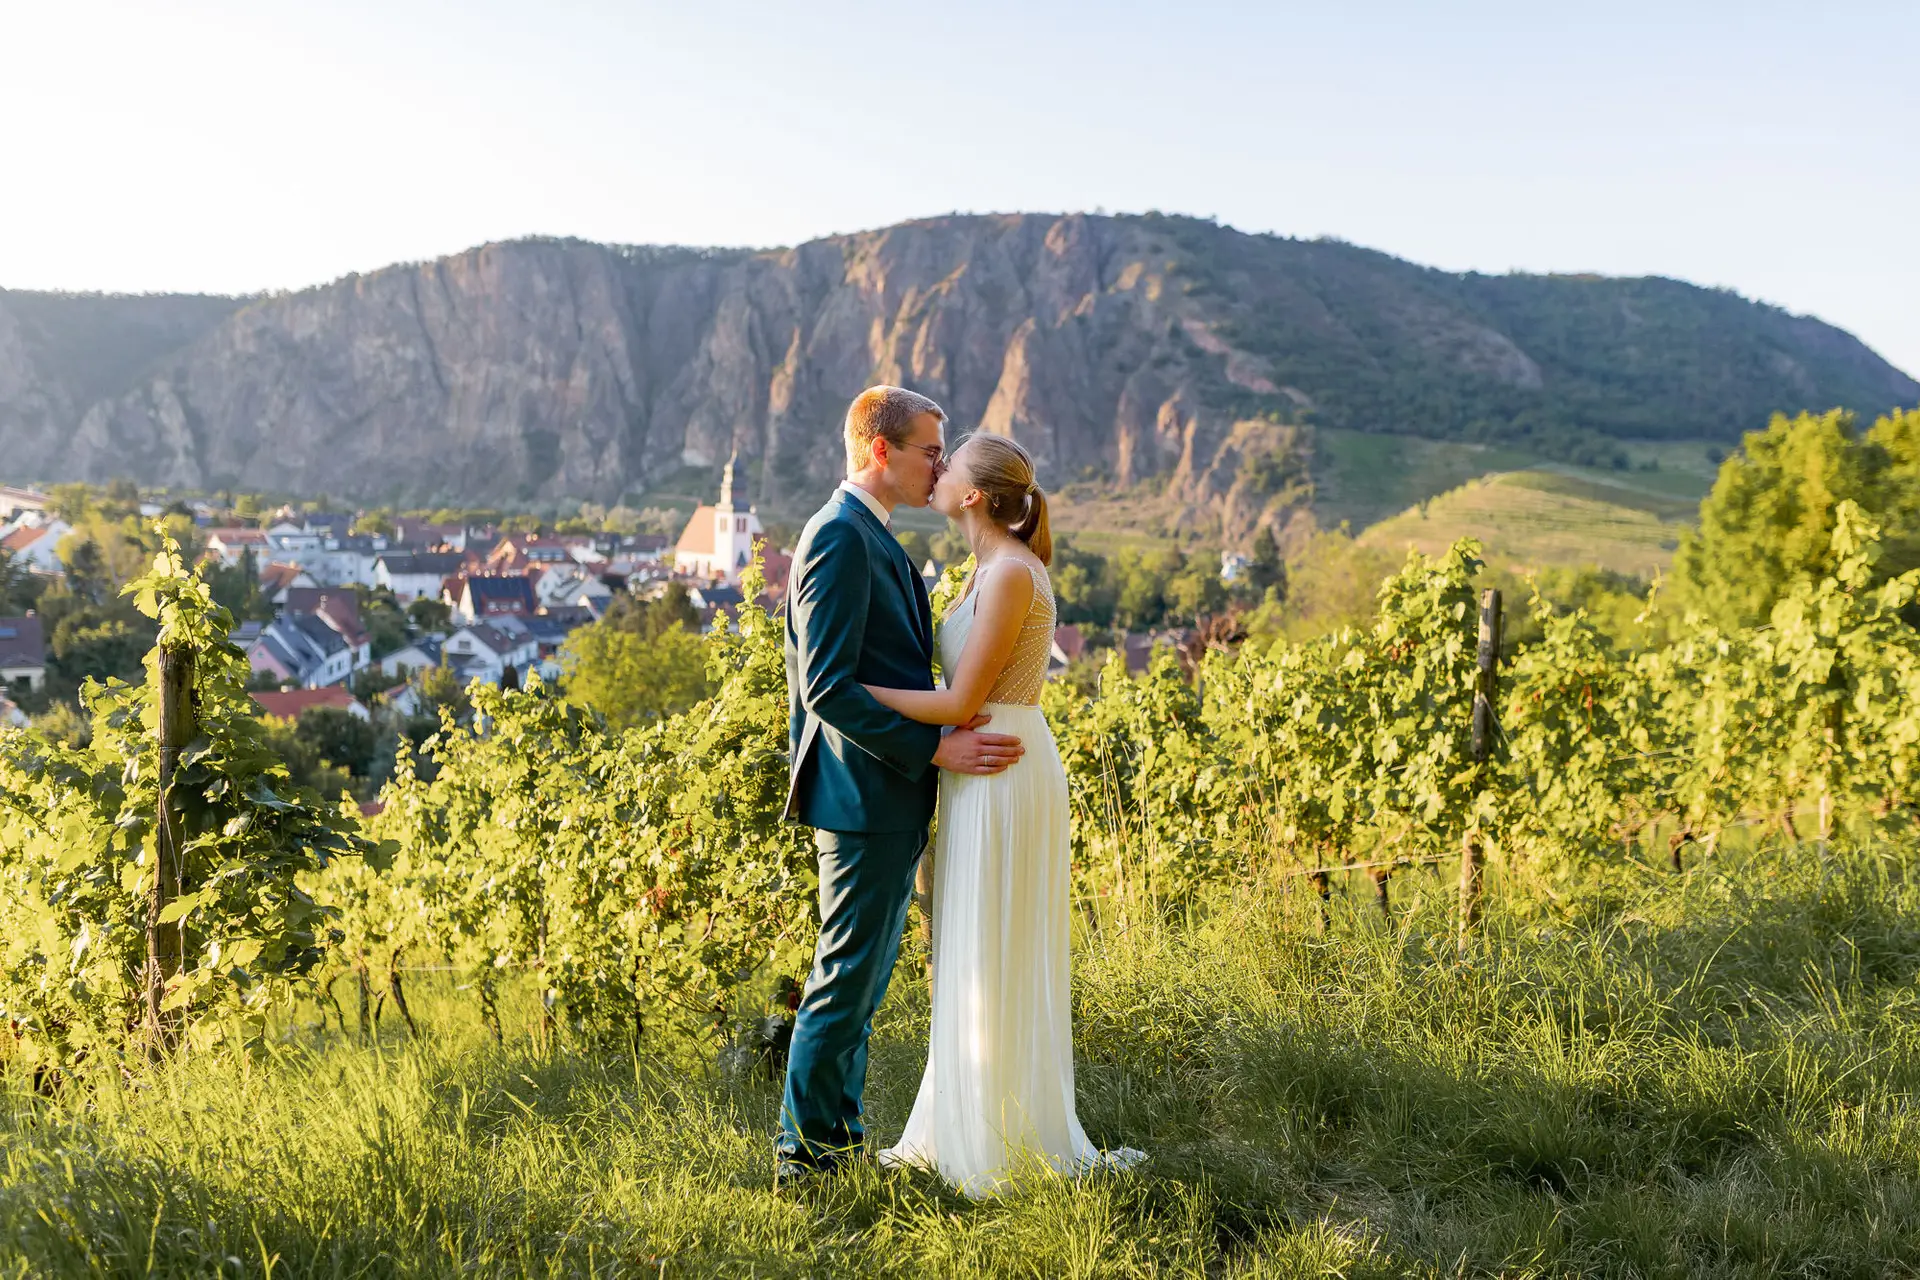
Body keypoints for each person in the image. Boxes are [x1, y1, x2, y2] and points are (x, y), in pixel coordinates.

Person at [867, 432, 1144, 1196]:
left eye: (948, 463)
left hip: (1001, 765)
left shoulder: (1013, 574)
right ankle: (962, 1120)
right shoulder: (985, 569)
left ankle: (1000, 1139)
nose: (938, 467)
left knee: (995, 942)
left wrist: (850, 697)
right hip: (976, 764)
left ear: (973, 496)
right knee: (969, 942)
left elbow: (960, 702)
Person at [777, 386, 1025, 1184]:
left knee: (862, 981)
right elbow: (829, 688)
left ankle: (836, 1149)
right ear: (880, 451)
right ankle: (806, 1161)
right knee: (845, 980)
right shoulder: (839, 539)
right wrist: (934, 749)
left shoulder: (872, 537)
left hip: (883, 794)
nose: (941, 467)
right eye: (929, 451)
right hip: (862, 795)